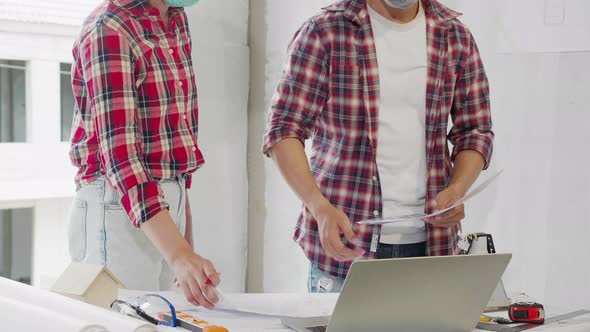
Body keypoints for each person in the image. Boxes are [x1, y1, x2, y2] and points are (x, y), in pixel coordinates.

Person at [262, 0, 493, 293]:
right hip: (347, 244)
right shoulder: (325, 32)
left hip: (432, 249)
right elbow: (284, 129)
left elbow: (474, 131)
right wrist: (319, 207)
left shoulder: (454, 36)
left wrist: (457, 189)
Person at [68, 0, 220, 308]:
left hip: (159, 206)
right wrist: (178, 253)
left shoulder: (175, 18)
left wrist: (183, 237)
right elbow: (121, 158)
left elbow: (174, 144)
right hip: (115, 204)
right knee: (121, 322)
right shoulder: (108, 29)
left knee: (162, 319)